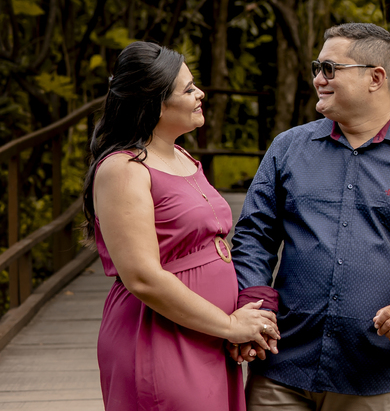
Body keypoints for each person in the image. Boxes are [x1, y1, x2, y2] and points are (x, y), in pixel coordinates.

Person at [231, 22, 390, 410]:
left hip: (368, 373)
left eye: (329, 69)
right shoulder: (288, 148)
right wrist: (256, 304)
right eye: (316, 68)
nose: (317, 79)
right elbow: (254, 236)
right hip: (281, 364)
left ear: (375, 78)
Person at [86, 41, 280, 411]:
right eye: (188, 89)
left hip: (206, 335)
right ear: (155, 103)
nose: (199, 93)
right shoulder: (124, 170)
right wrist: (229, 326)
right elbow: (142, 277)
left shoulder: (181, 155)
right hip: (159, 335)